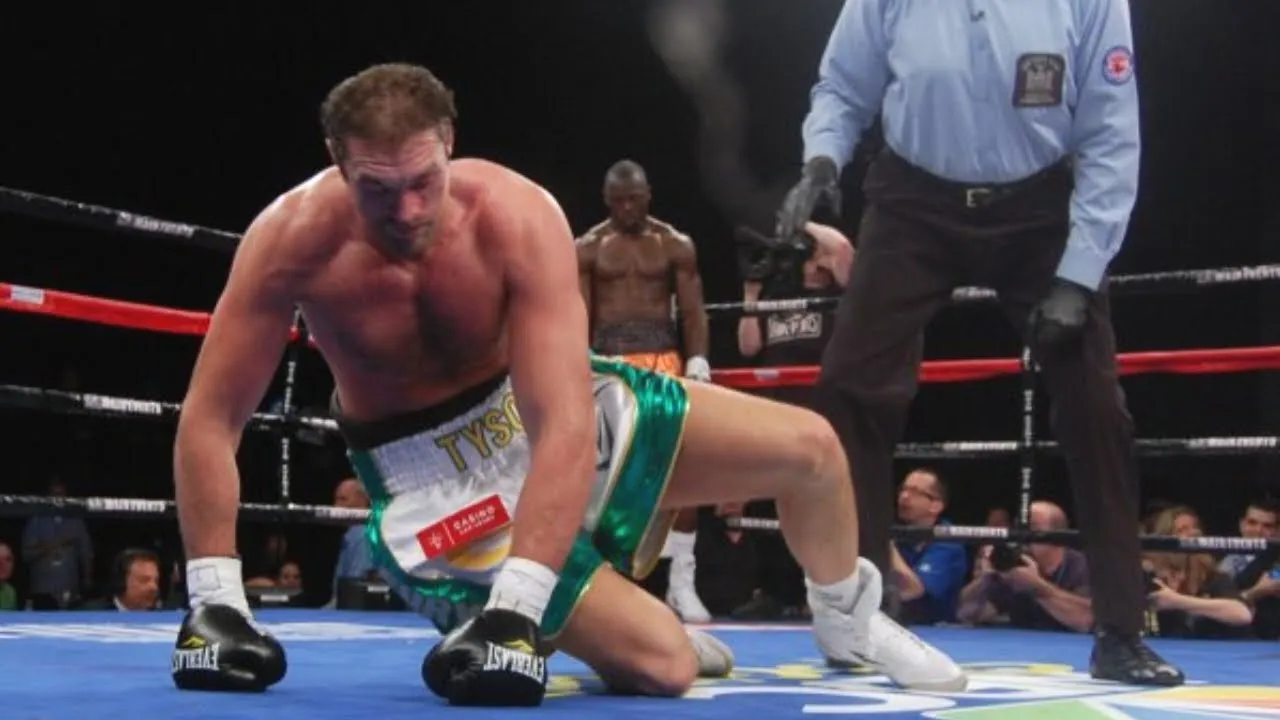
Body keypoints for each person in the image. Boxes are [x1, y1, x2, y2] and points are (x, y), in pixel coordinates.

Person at [169, 62, 967, 706]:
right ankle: (560, 614)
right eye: (376, 187)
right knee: (665, 664)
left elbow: (560, 418)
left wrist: (519, 608)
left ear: (449, 142)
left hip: (540, 414)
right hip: (434, 482)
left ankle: (848, 624)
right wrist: (215, 598)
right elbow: (212, 417)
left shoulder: (516, 215)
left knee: (813, 448)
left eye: (422, 180)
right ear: (337, 160)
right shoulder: (290, 243)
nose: (406, 209)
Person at [774, 0, 1182, 685]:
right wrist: (822, 158)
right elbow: (844, 85)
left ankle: (1120, 629)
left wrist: (1079, 274)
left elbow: (1111, 129)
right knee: (847, 389)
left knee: (1096, 407)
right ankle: (860, 616)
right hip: (913, 203)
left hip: (1039, 209)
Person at [575, 161, 713, 623]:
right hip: (610, 361)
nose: (627, 208)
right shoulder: (588, 247)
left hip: (663, 360)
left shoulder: (674, 244)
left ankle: (682, 581)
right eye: (619, 201)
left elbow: (693, 311)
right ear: (607, 200)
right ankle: (601, 585)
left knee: (684, 466)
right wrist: (579, 364)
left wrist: (698, 360)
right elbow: (580, 312)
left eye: (634, 199)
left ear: (648, 194)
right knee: (601, 475)